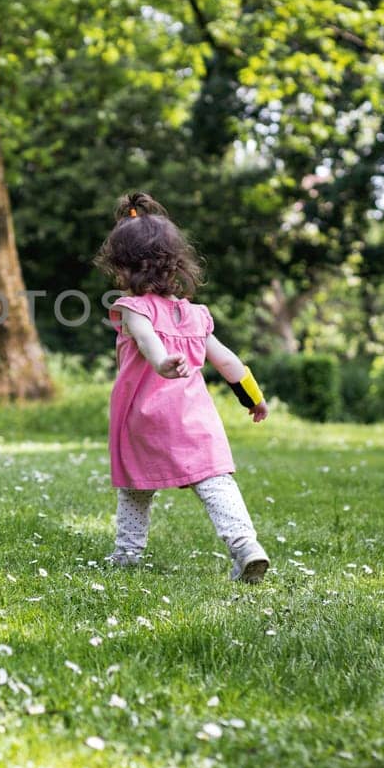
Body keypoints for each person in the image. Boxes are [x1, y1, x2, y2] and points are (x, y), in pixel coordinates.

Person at [96, 192, 272, 582]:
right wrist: (254, 397)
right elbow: (227, 361)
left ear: (123, 267)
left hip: (147, 417)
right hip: (196, 420)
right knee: (216, 483)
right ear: (175, 264)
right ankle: (245, 545)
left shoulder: (131, 307)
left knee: (136, 487)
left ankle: (127, 553)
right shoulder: (195, 315)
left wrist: (161, 362)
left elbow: (146, 339)